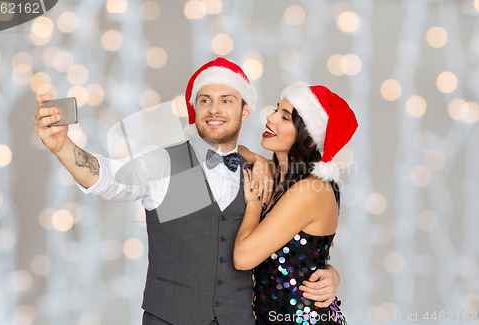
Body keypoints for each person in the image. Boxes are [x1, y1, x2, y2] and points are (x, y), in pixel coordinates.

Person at [33, 58, 341, 325]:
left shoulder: (265, 176)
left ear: (245, 110)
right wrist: (63, 148)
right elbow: (110, 178)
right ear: (193, 108)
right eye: (205, 100)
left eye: (227, 100)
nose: (214, 109)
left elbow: (299, 244)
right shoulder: (167, 165)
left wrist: (328, 272)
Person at [235, 82, 357, 324]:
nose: (270, 118)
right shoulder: (278, 177)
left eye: (284, 117)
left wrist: (254, 203)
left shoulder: (310, 190)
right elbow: (227, 148)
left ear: (309, 139)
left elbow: (243, 257)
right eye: (275, 110)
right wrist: (258, 159)